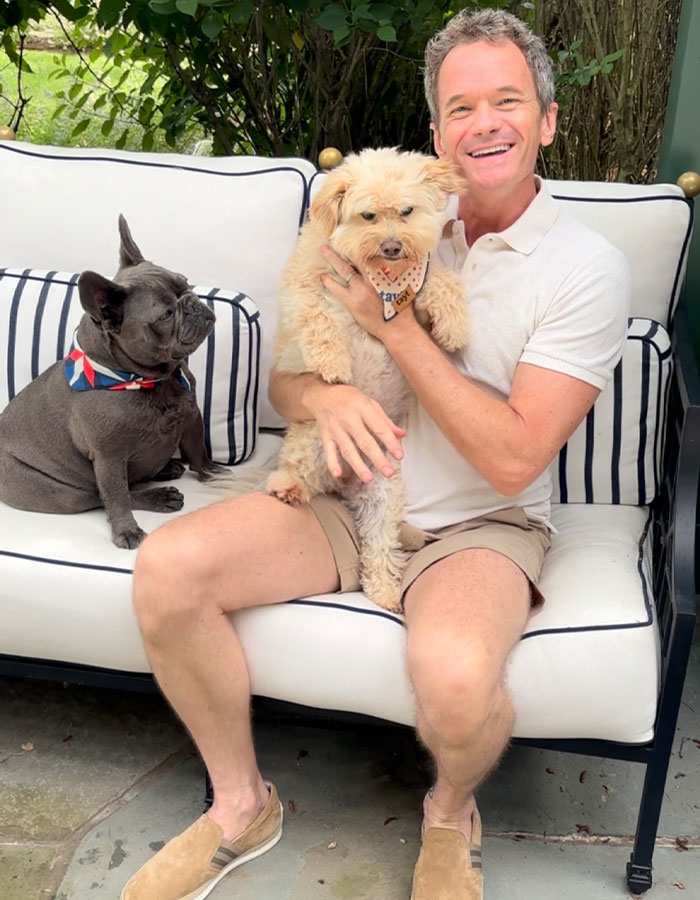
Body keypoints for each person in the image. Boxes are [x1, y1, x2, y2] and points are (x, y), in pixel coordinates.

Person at [121, 8, 630, 900]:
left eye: (507, 101)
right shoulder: (359, 219)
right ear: (436, 136)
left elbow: (515, 460)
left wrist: (388, 325)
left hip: (481, 517)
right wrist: (328, 395)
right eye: (461, 106)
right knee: (169, 570)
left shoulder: (585, 266)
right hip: (341, 491)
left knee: (458, 677)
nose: (485, 123)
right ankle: (241, 807)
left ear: (546, 121)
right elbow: (287, 385)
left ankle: (447, 812)